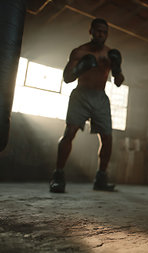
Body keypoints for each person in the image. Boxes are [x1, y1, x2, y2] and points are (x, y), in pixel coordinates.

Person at [49, 18, 125, 193]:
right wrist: (80, 68)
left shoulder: (110, 54)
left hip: (100, 97)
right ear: (90, 31)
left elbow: (119, 82)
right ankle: (58, 177)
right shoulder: (79, 52)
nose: (101, 34)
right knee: (69, 133)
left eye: (104, 32)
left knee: (107, 138)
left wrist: (118, 68)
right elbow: (67, 78)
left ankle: (101, 178)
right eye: (98, 31)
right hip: (81, 95)